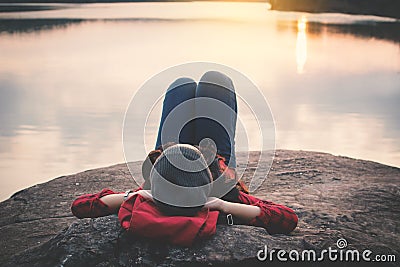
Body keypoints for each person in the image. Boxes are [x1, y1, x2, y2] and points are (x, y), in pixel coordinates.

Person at [71, 71, 298, 246]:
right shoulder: (218, 194)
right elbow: (287, 219)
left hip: (171, 158)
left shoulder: (152, 193)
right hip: (210, 162)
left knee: (182, 85)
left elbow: (80, 206)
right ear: (208, 180)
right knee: (215, 81)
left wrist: (135, 195)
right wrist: (222, 204)